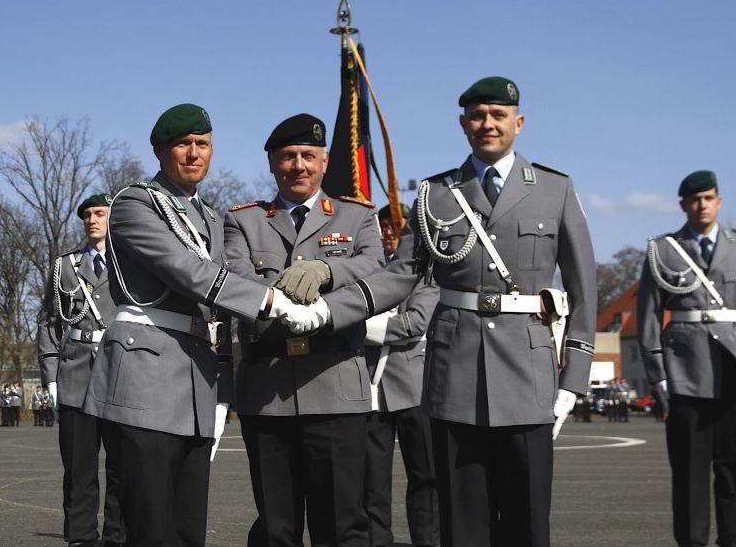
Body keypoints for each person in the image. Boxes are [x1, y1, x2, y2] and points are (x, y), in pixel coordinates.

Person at [316, 76, 598, 547]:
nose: (488, 124)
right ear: (463, 124)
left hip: (529, 376)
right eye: (478, 116)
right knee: (461, 524)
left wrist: (575, 377)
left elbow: (583, 288)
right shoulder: (435, 194)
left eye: (498, 115)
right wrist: (329, 305)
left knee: (527, 523)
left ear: (519, 123)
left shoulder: (555, 189)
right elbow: (399, 275)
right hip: (455, 376)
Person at [83, 103, 308, 547]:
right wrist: (271, 301)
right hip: (144, 375)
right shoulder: (134, 203)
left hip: (196, 380)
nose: (193, 154)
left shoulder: (209, 217)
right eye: (182, 144)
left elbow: (229, 285)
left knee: (188, 527)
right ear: (159, 152)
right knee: (149, 526)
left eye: (202, 144)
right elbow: (189, 271)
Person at [223, 113, 384, 547]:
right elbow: (236, 282)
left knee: (343, 526)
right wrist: (286, 295)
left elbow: (375, 268)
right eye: (287, 157)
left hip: (335, 387)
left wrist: (326, 271)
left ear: (325, 161)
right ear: (273, 164)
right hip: (268, 389)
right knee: (276, 528)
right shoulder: (243, 221)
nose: (298, 165)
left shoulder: (357, 217)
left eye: (308, 156)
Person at [637, 169, 736, 547]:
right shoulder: (662, 250)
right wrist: (658, 374)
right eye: (694, 199)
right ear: (683, 204)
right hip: (684, 372)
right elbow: (648, 316)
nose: (702, 205)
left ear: (719, 201)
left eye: (708, 198)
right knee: (689, 474)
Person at [37, 192, 125, 547]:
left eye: (99, 213)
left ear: (113, 218)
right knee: (78, 469)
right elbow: (47, 322)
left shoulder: (131, 263)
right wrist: (50, 376)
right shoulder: (65, 266)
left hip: (121, 373)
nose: (91, 219)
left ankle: (119, 537)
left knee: (122, 467)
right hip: (75, 375)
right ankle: (80, 538)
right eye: (87, 214)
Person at [362, 204, 440, 547]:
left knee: (426, 476)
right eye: (384, 225)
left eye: (396, 224)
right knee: (371, 480)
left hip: (414, 386)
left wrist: (361, 325)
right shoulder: (365, 269)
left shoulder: (427, 271)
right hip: (371, 388)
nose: (390, 231)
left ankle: (428, 540)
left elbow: (415, 324)